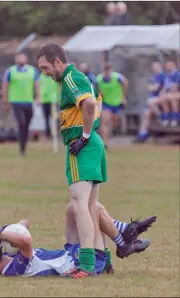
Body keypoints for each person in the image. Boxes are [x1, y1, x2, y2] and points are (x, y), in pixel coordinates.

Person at [36, 43, 148, 278]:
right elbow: (95, 102)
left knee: (79, 204)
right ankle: (104, 259)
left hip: (82, 145)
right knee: (89, 207)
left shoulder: (70, 78)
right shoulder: (78, 77)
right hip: (92, 143)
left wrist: (84, 136)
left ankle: (86, 264)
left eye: (45, 67)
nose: (44, 72)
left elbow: (88, 104)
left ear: (58, 61)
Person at [0, 203, 155, 278]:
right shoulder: (13, 269)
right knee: (93, 209)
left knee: (73, 208)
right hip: (80, 261)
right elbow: (25, 240)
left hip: (70, 252)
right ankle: (123, 243)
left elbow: (23, 223)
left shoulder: (9, 252)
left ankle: (124, 232)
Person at [2, 52, 40, 155]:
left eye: (22, 57)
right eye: (18, 58)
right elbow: (5, 86)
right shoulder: (10, 71)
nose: (20, 59)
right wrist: (5, 101)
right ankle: (22, 148)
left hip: (28, 102)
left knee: (26, 125)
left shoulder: (33, 71)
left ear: (26, 59)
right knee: (21, 123)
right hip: (16, 102)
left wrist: (38, 96)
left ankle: (24, 146)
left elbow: (37, 84)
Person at [96, 63, 128, 149]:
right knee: (105, 121)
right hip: (106, 103)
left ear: (111, 70)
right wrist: (99, 94)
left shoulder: (117, 77)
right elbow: (96, 88)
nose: (107, 73)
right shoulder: (99, 79)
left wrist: (123, 96)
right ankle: (105, 143)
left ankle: (114, 128)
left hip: (116, 103)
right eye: (105, 70)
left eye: (108, 70)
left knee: (115, 121)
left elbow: (126, 82)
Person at [134, 61, 165, 143]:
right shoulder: (153, 76)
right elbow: (149, 87)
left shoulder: (162, 75)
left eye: (155, 66)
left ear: (159, 66)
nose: (154, 67)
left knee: (150, 102)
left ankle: (161, 117)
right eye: (153, 66)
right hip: (153, 100)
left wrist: (151, 87)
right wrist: (151, 87)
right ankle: (142, 135)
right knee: (146, 114)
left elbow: (155, 88)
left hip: (160, 99)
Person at [158, 59, 180, 127]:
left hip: (176, 93)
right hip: (171, 93)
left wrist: (167, 93)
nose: (168, 66)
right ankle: (167, 118)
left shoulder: (177, 74)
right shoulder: (167, 75)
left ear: (173, 65)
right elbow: (165, 86)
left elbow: (175, 88)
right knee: (162, 98)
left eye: (169, 64)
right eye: (166, 64)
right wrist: (162, 93)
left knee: (171, 97)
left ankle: (175, 119)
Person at [40, 72, 60, 139]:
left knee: (56, 118)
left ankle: (57, 134)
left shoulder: (55, 75)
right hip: (44, 100)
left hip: (54, 100)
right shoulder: (41, 76)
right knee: (46, 118)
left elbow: (59, 86)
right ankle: (47, 135)